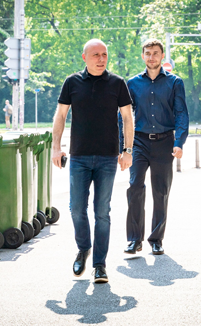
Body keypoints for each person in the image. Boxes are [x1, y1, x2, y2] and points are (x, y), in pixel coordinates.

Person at [51, 39, 134, 283]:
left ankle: (100, 265)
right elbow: (61, 115)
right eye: (96, 54)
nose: (101, 59)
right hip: (79, 157)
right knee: (76, 209)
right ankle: (83, 248)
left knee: (102, 212)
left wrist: (127, 150)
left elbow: (128, 118)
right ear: (85, 57)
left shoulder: (117, 83)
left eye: (104, 54)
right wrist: (57, 147)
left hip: (108, 157)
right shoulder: (72, 82)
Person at [121, 38, 189, 256]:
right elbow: (123, 117)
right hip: (139, 142)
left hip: (164, 143)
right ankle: (134, 240)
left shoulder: (175, 83)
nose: (152, 57)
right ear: (143, 56)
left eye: (156, 53)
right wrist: (124, 148)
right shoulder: (131, 84)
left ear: (162, 56)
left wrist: (179, 142)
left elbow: (181, 114)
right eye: (148, 53)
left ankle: (156, 239)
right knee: (134, 188)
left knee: (161, 192)